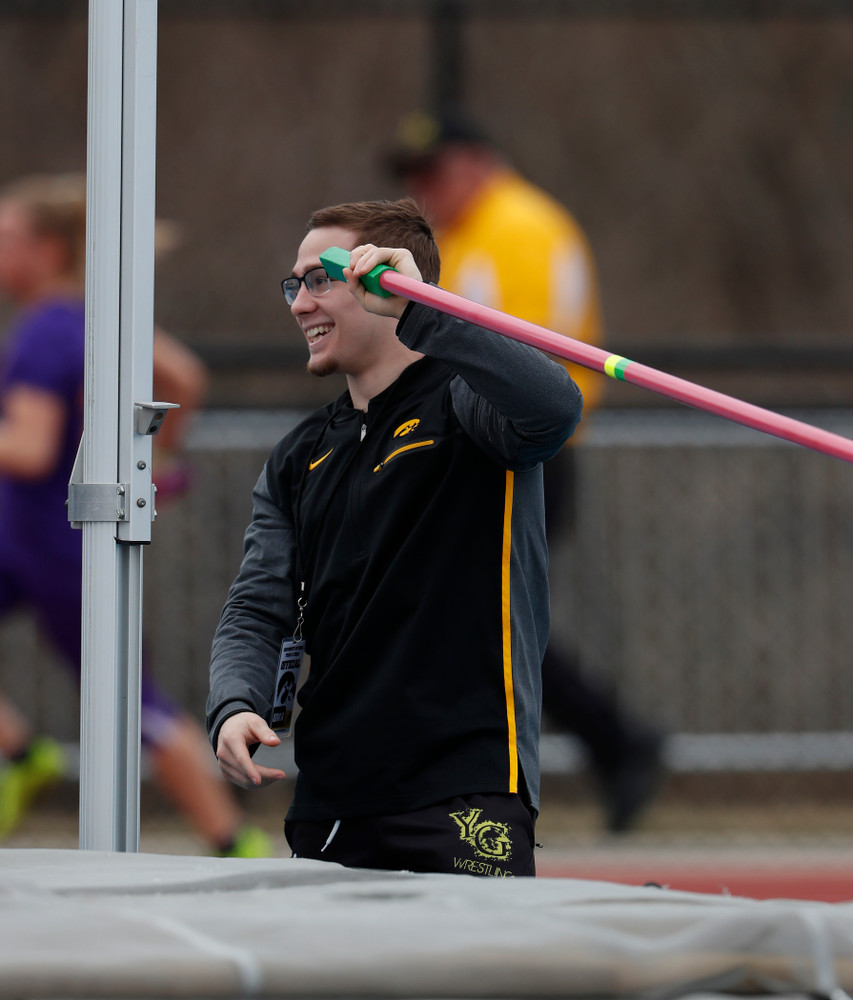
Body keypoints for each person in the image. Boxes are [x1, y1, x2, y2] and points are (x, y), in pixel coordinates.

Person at [207, 197, 583, 876]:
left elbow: (554, 408)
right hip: (331, 801)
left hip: (463, 790)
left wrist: (430, 312)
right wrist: (234, 703)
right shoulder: (298, 455)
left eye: (319, 280)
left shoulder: (470, 404)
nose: (298, 304)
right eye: (293, 285)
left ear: (389, 286)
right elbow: (257, 609)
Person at [388, 108, 666, 833]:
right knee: (480, 614)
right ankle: (614, 743)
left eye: (433, 173)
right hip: (485, 442)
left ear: (476, 162)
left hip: (518, 447)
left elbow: (522, 361)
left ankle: (603, 748)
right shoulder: (468, 233)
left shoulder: (516, 228)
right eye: (412, 179)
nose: (423, 191)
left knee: (487, 616)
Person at [0, 172, 270, 857]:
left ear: (49, 250)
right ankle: (22, 754)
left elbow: (29, 451)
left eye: (7, 239)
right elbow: (184, 377)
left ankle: (232, 839)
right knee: (126, 698)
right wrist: (149, 459)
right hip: (28, 538)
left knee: (132, 704)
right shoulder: (89, 319)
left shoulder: (46, 335)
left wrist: (139, 467)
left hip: (57, 542)